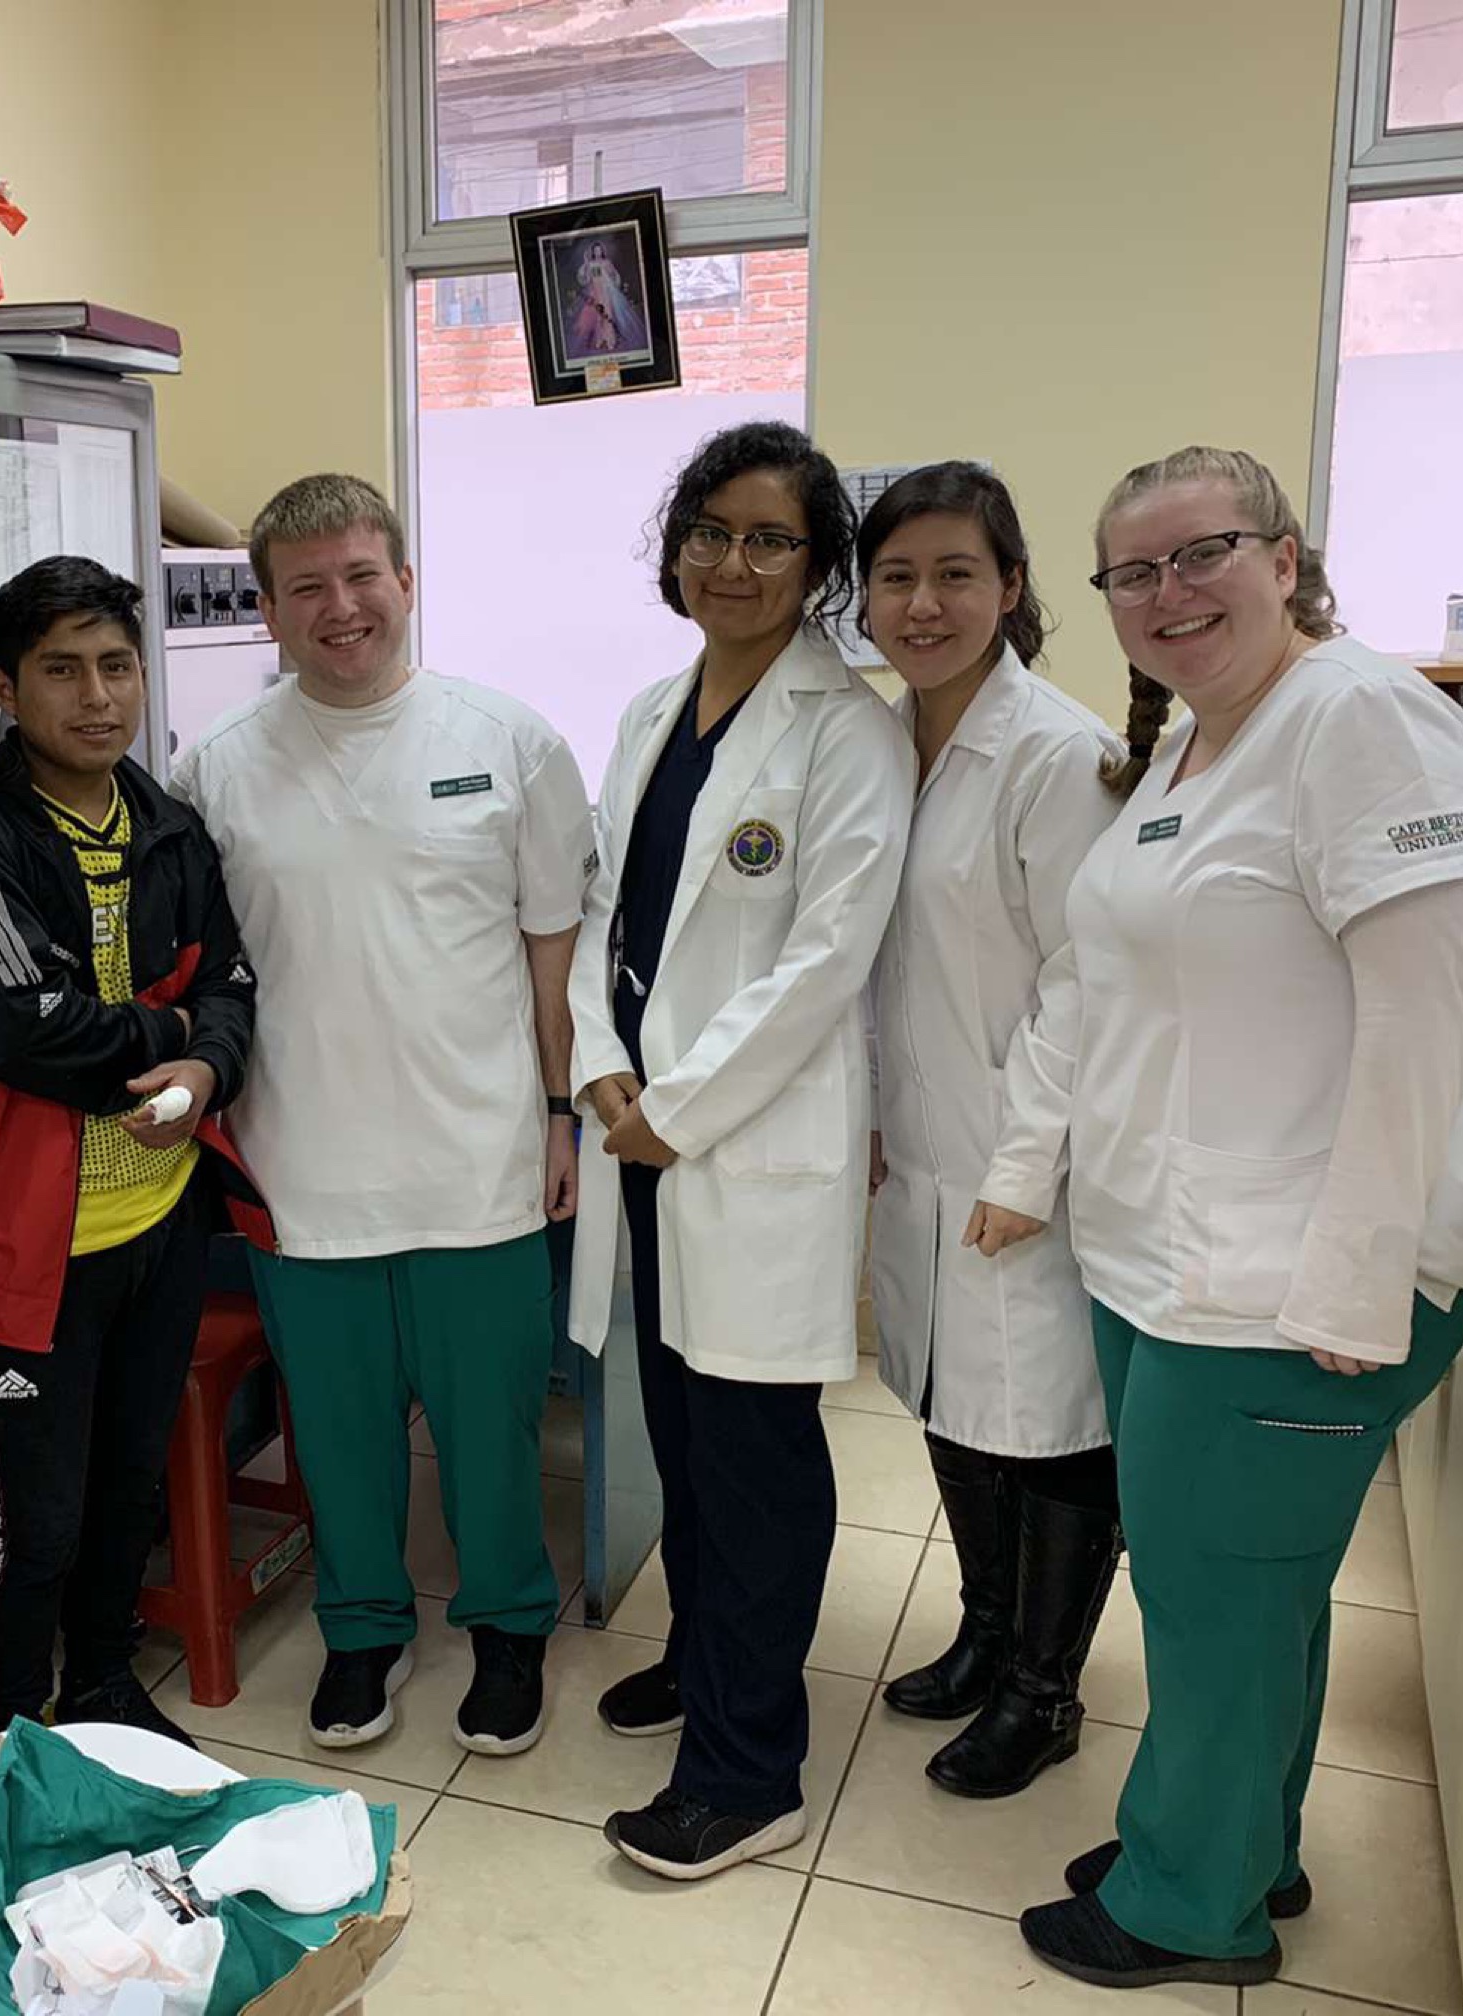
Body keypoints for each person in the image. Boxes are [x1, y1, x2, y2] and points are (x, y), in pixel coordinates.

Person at [1014, 447, 1463, 1989]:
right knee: (1242, 1588)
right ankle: (1243, 1843)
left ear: (1285, 559)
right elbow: (1111, 982)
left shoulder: (1363, 720)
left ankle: (1186, 1905)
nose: (1167, 593)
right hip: (1176, 1266)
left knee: (1217, 1604)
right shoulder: (1199, 744)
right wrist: (1033, 1170)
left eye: (1202, 553)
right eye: (1133, 572)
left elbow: (1424, 1019)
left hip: (1293, 1285)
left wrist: (1358, 1285)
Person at [169, 473, 593, 1759]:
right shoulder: (215, 768)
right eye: (307, 588)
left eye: (363, 577)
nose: (340, 607)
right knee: (341, 1428)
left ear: (406, 582)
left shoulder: (510, 740)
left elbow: (555, 953)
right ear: (268, 610)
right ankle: (362, 1628)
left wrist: (560, 1115)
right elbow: (204, 971)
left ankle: (507, 1623)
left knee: (490, 1428)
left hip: (479, 1152)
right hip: (304, 1162)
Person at [570, 422, 912, 1879]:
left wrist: (678, 1107)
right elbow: (606, 909)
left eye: (772, 539)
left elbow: (829, 960)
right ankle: (704, 1656)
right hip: (643, 1135)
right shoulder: (654, 709)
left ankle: (747, 1766)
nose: (734, 562)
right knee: (683, 1435)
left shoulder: (851, 732)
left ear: (819, 564)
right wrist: (597, 1060)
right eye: (710, 531)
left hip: (743, 1142)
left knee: (756, 1456)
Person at [0, 554, 265, 1746]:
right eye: (62, 670)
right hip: (29, 1241)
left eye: (116, 665)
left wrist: (205, 1068)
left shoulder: (168, 828)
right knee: (34, 1527)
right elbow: (22, 1028)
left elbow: (230, 982)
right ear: (6, 688)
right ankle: (7, 1742)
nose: (98, 696)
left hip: (159, 1224)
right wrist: (171, 1033)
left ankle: (103, 1687)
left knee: (127, 1491)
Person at [857, 463, 1129, 1799]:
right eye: (897, 576)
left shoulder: (1056, 753)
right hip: (919, 1145)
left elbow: (1088, 977)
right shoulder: (875, 745)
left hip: (1032, 1156)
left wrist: (1027, 1167)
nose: (924, 604)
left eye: (956, 574)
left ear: (1011, 588)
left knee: (1053, 1418)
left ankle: (1044, 1688)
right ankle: (984, 1632)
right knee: (951, 1394)